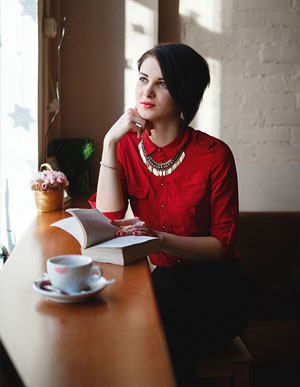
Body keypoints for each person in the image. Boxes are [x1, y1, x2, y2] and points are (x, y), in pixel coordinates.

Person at [89, 43, 249, 386]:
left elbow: (221, 246)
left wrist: (158, 239)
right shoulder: (127, 147)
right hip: (163, 283)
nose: (147, 91)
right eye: (143, 78)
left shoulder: (215, 155)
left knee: (162, 337)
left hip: (216, 287)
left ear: (185, 93)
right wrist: (108, 143)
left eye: (162, 83)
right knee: (115, 327)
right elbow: (108, 214)